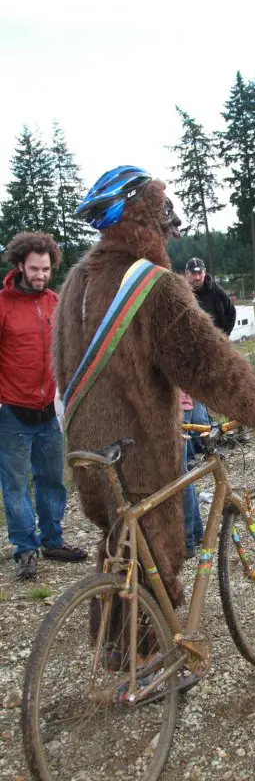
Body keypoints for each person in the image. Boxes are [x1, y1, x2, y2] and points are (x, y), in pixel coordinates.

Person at [54, 166, 255, 616]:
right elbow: (206, 362)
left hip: (85, 446)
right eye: (160, 210)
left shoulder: (74, 283)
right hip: (138, 448)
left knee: (118, 545)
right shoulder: (152, 284)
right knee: (154, 556)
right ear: (144, 215)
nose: (167, 223)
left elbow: (61, 365)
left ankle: (113, 648)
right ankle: (149, 666)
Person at [0, 232, 87, 580]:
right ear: (20, 265)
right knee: (16, 485)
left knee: (52, 481)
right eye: (34, 268)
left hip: (49, 411)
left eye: (46, 269)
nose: (40, 275)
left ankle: (52, 539)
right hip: (11, 412)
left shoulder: (56, 301)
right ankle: (25, 549)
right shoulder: (2, 305)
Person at [184, 256, 247, 447]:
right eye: (193, 273)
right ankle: (203, 436)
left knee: (227, 387)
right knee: (196, 393)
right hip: (193, 352)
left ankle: (237, 429)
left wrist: (223, 337)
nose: (197, 276)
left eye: (200, 272)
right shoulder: (182, 292)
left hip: (217, 349)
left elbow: (231, 313)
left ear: (205, 272)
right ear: (186, 274)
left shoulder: (216, 291)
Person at [179, 390, 204, 559]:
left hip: (175, 406)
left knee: (180, 475)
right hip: (181, 405)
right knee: (183, 474)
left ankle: (188, 540)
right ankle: (196, 532)